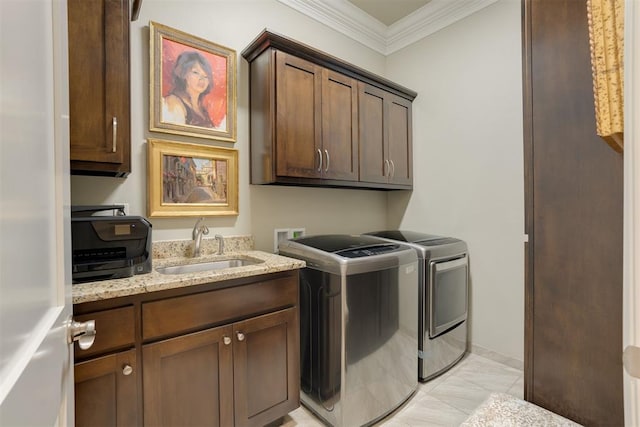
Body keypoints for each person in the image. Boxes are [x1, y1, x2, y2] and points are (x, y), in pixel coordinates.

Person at [162, 51, 220, 128]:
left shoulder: (202, 109)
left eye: (206, 76)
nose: (202, 79)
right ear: (184, 74)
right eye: (196, 72)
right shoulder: (173, 102)